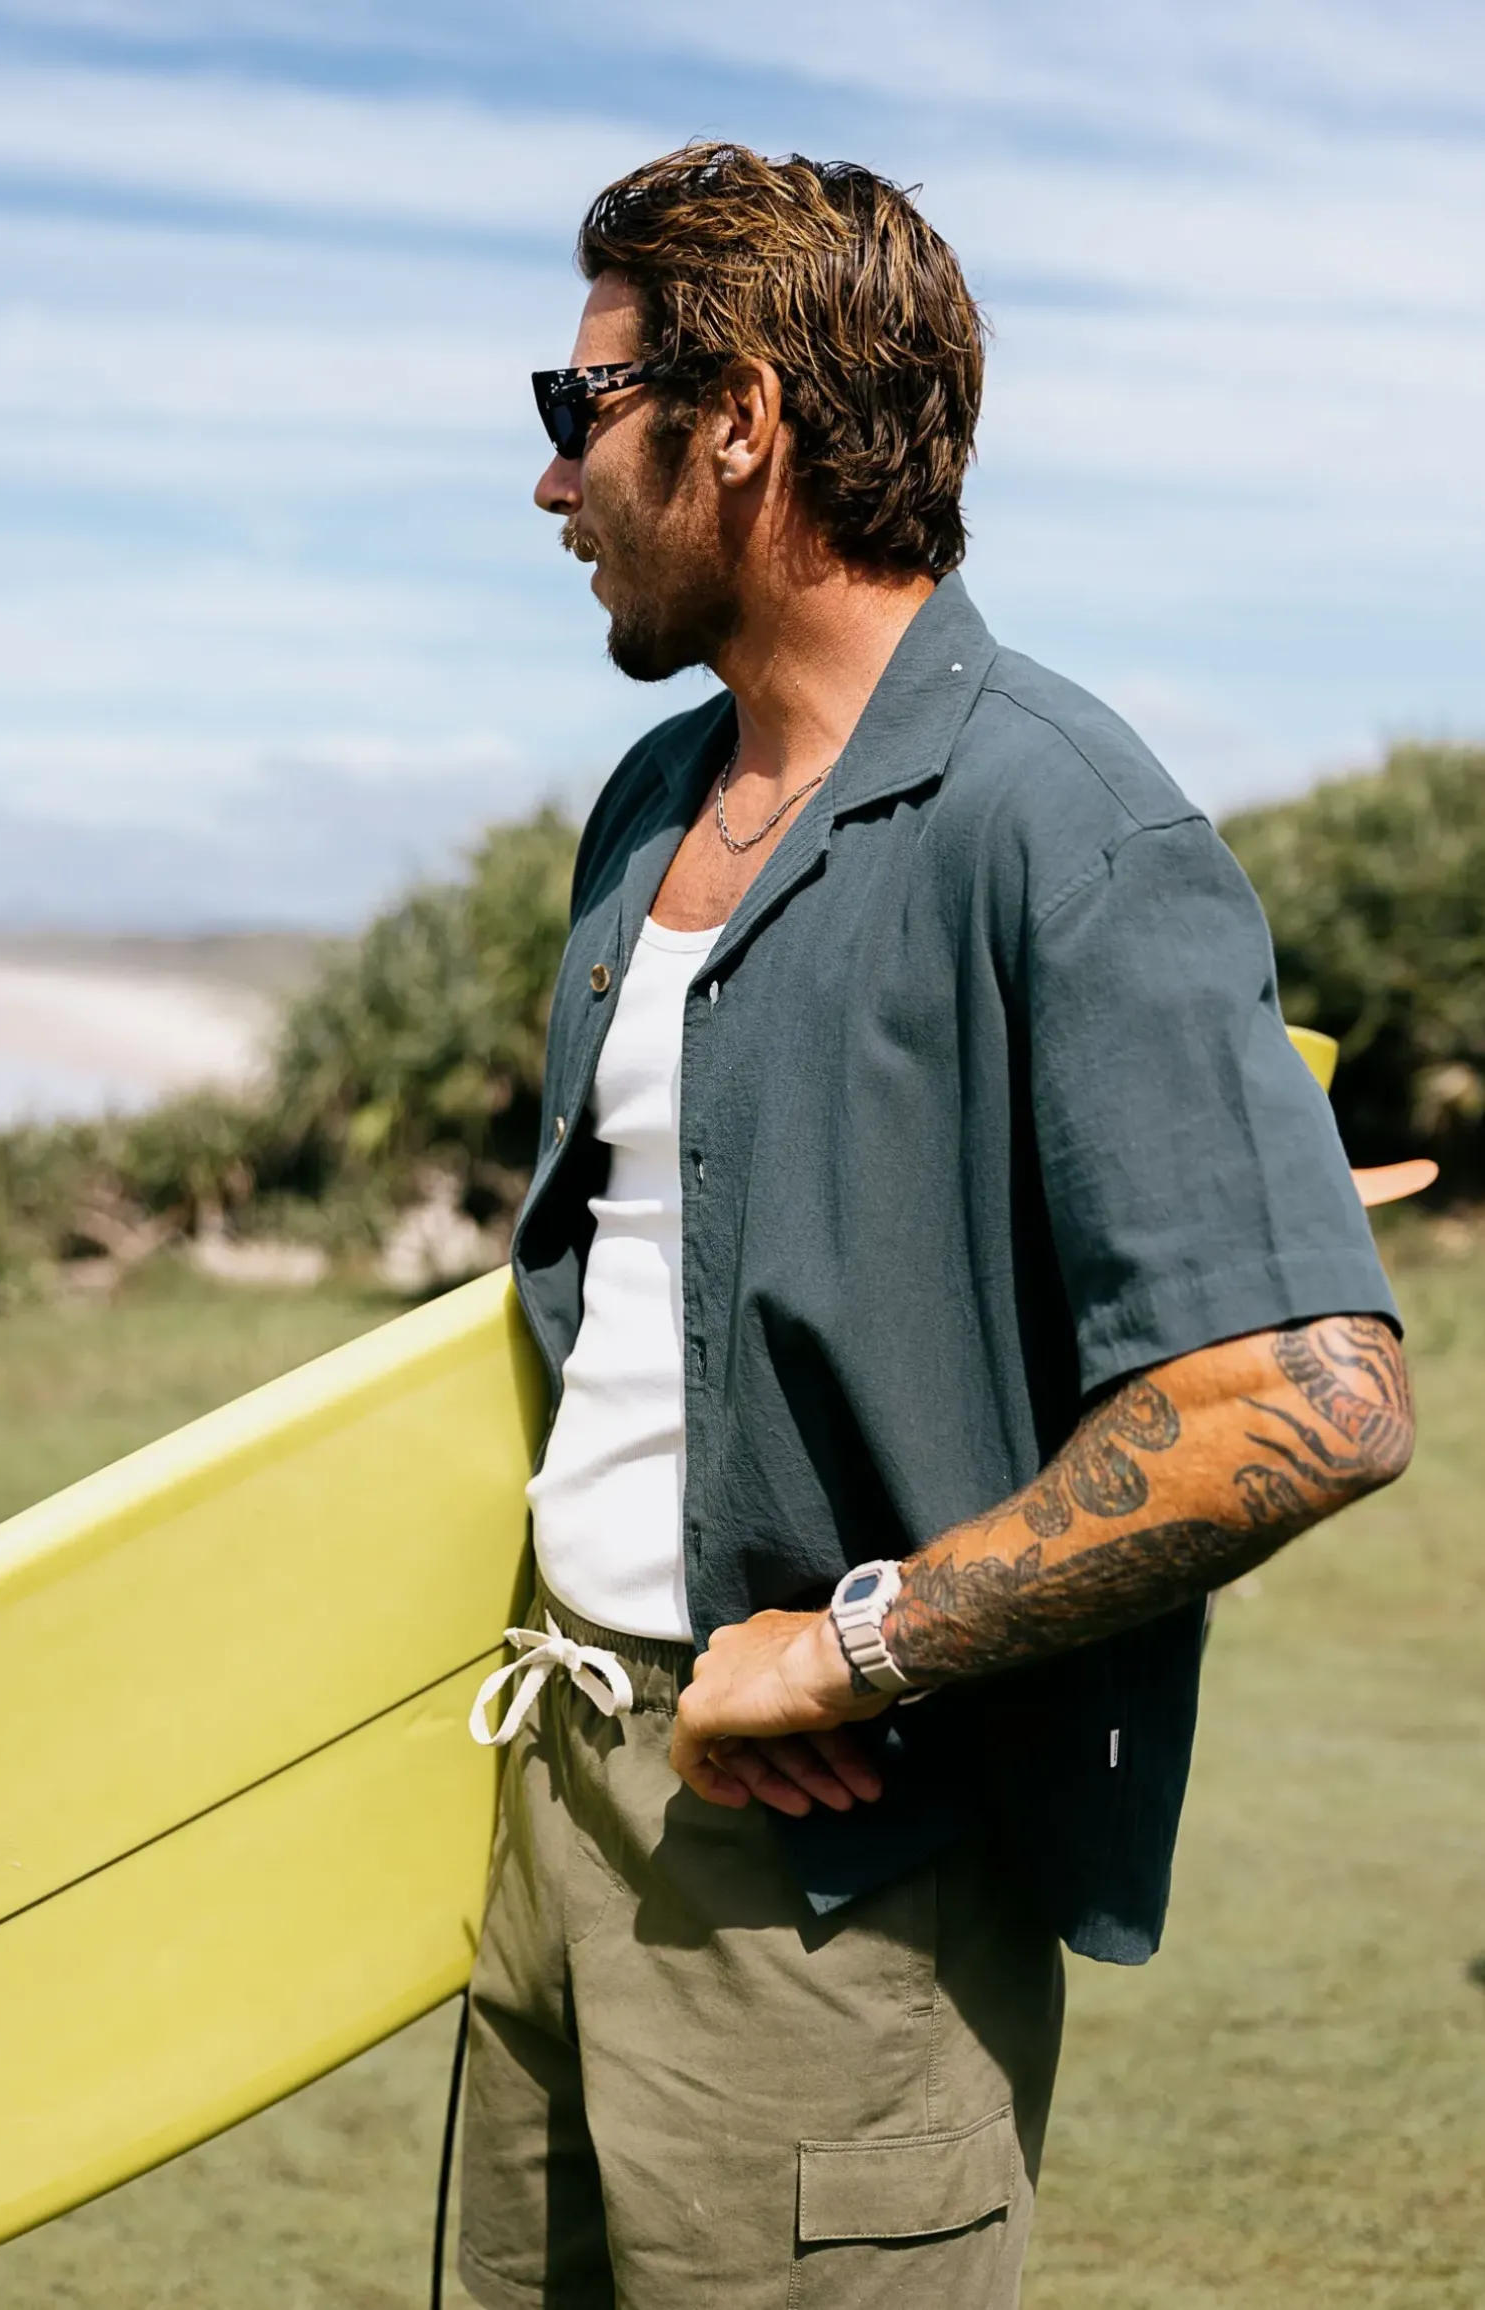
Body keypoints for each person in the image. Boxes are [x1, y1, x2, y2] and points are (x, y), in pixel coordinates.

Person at [454, 143, 1413, 2310]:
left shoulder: (1062, 822)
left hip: (831, 1881)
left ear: (740, 422)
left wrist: (848, 1641)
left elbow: (1314, 1395)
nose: (551, 480)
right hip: (549, 1811)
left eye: (578, 403)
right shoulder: (651, 804)